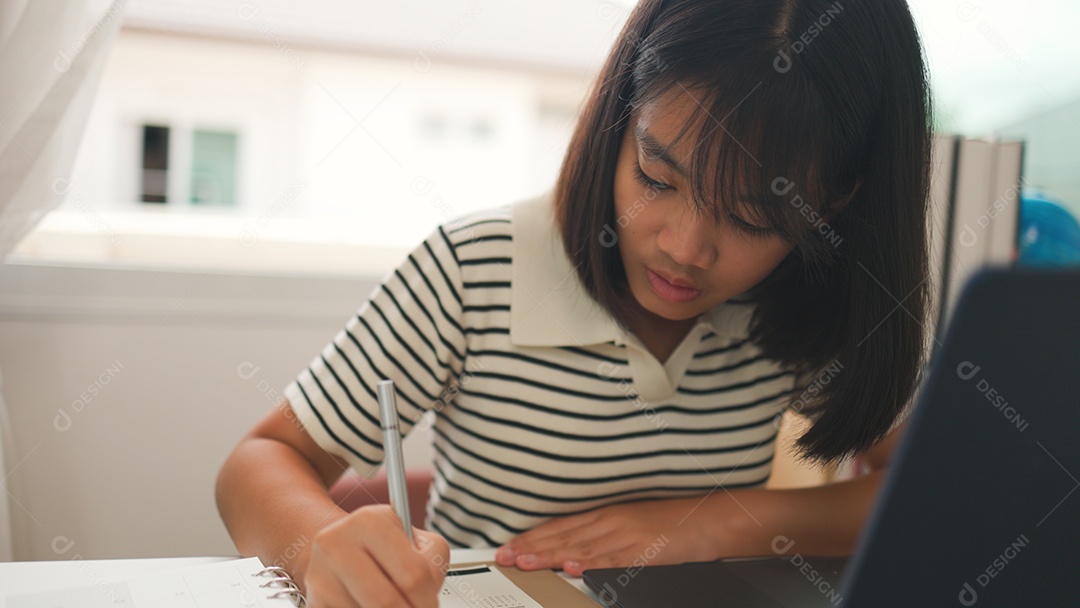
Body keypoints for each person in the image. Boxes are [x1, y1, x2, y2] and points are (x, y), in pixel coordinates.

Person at [216, 0, 932, 605]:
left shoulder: (796, 299)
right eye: (657, 175)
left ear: (837, 203)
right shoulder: (477, 268)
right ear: (619, 119)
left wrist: (724, 521)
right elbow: (259, 460)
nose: (685, 248)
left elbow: (936, 487)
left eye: (752, 218)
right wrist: (318, 548)